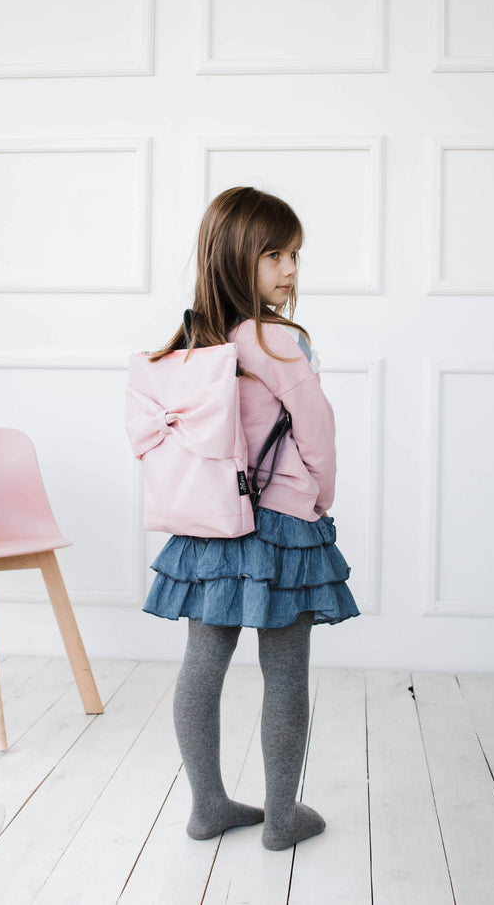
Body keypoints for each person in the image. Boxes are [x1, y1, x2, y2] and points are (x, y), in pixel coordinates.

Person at [143, 186, 359, 851]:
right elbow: (315, 429)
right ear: (238, 257)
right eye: (274, 255)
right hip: (281, 526)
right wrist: (319, 494)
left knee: (203, 663)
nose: (289, 269)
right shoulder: (276, 336)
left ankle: (207, 806)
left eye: (293, 254)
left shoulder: (192, 338)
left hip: (212, 524)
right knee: (286, 671)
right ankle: (281, 815)